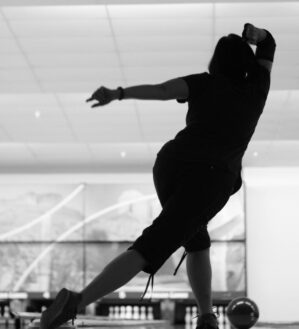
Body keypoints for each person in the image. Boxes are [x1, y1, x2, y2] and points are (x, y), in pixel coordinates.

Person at [40, 23, 276, 329]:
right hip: (210, 178)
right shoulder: (256, 89)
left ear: (216, 62)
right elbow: (269, 44)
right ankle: (77, 301)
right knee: (153, 245)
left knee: (196, 239)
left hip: (170, 164)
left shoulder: (204, 82)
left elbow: (164, 91)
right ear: (247, 63)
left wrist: (118, 93)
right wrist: (257, 36)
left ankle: (206, 315)